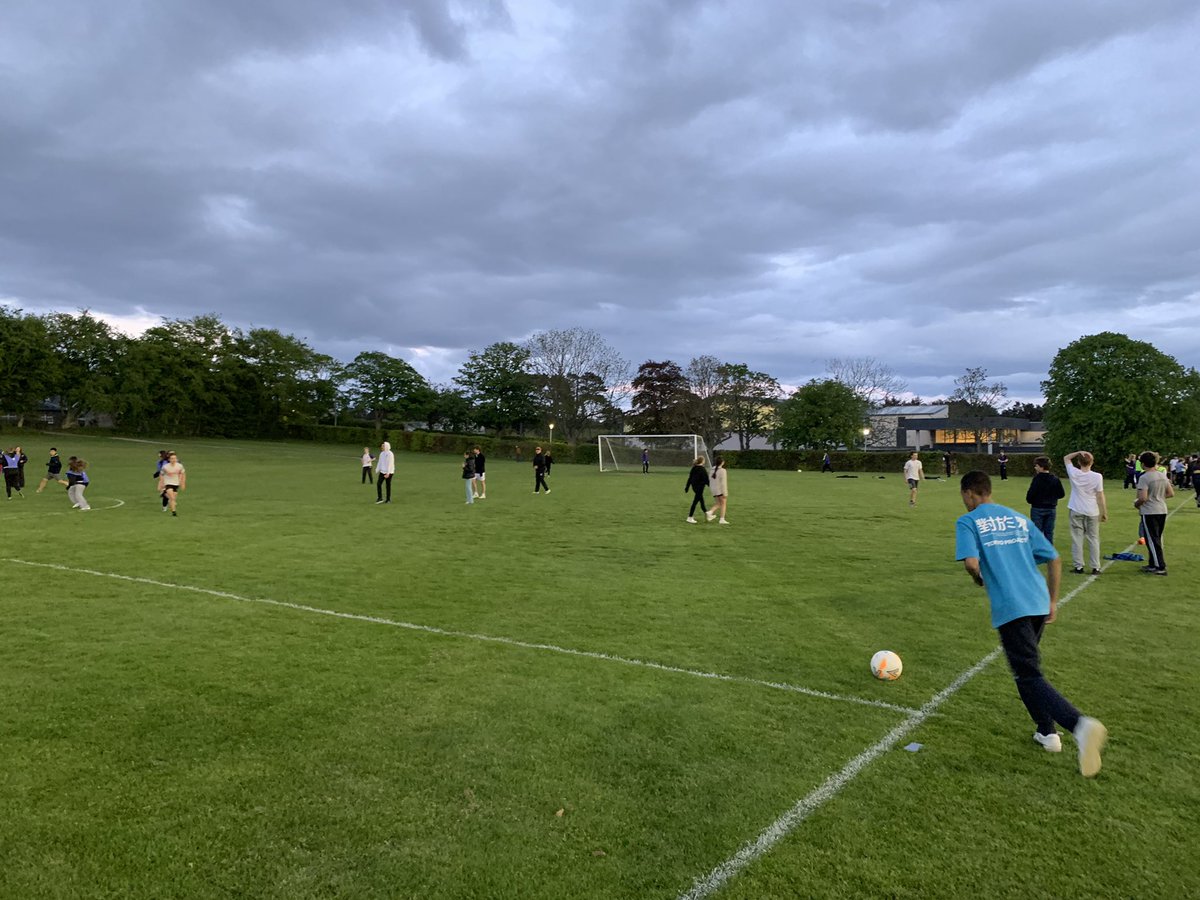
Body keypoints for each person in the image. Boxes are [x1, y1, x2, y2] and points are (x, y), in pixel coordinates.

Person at [955, 470, 1107, 777]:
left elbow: (971, 563)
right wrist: (1052, 600)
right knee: (1025, 673)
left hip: (1012, 608)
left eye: (964, 496)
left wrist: (978, 577)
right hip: (1038, 601)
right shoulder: (1017, 518)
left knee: (1027, 673)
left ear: (970, 493)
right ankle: (1047, 732)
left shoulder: (968, 521)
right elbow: (1054, 558)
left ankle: (1079, 725)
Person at [1063, 451, 1107, 575]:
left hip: (1076, 508)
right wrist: (1104, 511)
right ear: (1092, 462)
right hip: (1092, 510)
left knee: (1077, 538)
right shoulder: (1097, 476)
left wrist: (1078, 452)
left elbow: (1066, 458)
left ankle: (1078, 566)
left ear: (1078, 462)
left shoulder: (1074, 473)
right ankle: (1095, 566)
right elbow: (1100, 495)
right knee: (1093, 538)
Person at [1134, 451, 1173, 576]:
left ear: (1143, 463)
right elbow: (1170, 493)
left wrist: (1136, 504)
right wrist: (1158, 497)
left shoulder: (1144, 477)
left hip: (1150, 511)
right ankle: (1152, 563)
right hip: (1162, 509)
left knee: (1151, 539)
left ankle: (1160, 566)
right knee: (1156, 538)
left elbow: (1143, 497)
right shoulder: (1162, 475)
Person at [1025, 456, 1065, 544]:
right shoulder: (1055, 479)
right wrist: (1052, 498)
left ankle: (1037, 552)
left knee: (1037, 533)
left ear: (1041, 467)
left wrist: (1031, 500)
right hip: (1051, 508)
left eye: (1036, 466)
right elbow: (1061, 494)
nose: (1035, 467)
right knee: (1049, 533)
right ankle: (1049, 553)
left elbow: (1031, 494)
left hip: (1037, 508)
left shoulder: (1037, 479)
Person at [684, 456, 713, 523]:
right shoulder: (702, 469)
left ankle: (708, 515)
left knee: (701, 501)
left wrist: (687, 487)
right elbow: (706, 480)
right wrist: (712, 488)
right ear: (702, 461)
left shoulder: (694, 468)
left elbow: (690, 478)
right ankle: (690, 517)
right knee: (695, 502)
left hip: (694, 487)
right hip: (700, 488)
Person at [157, 451, 186, 516]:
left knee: (173, 498)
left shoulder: (179, 466)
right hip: (168, 483)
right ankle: (174, 512)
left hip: (176, 483)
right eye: (172, 458)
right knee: (172, 498)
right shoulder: (165, 467)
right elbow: (161, 475)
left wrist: (182, 483)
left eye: (175, 458)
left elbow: (183, 474)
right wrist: (161, 484)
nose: (174, 460)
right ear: (169, 459)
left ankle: (164, 494)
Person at [710, 457, 730, 524]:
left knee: (718, 503)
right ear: (722, 463)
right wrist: (725, 493)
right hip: (720, 490)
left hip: (714, 489)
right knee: (723, 504)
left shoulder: (712, 469)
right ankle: (721, 519)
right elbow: (723, 483)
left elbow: (710, 480)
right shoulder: (723, 470)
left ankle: (710, 512)